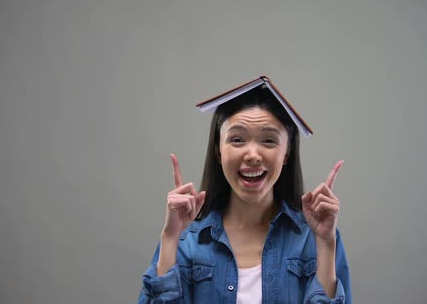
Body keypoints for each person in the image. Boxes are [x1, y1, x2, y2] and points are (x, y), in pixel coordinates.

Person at [138, 78, 351, 303]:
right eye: (237, 139)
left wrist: (326, 244)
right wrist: (170, 238)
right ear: (218, 151)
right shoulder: (186, 240)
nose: (252, 155)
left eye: (268, 141)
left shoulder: (318, 238)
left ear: (286, 153)